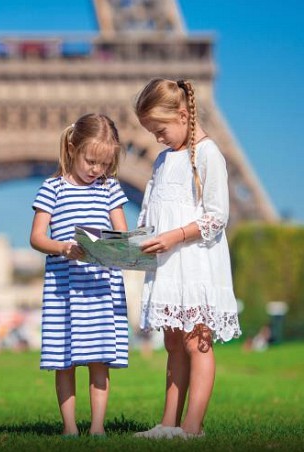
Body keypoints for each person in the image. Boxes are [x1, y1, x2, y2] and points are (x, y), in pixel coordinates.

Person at [133, 78, 242, 439]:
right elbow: (150, 211)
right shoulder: (163, 160)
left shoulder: (209, 154)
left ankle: (192, 427)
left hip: (195, 262)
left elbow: (216, 216)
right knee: (173, 343)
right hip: (169, 264)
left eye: (160, 129)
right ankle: (168, 425)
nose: (156, 138)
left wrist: (174, 235)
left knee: (197, 342)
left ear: (183, 114)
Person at [30, 113, 129, 436]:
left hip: (100, 288)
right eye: (90, 161)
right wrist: (63, 248)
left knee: (100, 362)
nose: (96, 170)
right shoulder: (52, 188)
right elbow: (37, 237)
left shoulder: (110, 188)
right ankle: (69, 427)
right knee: (65, 361)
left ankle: (97, 427)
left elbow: (122, 234)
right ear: (72, 147)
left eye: (104, 164)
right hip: (66, 290)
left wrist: (121, 248)